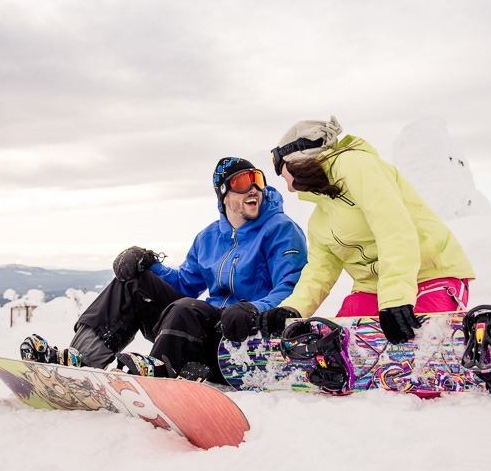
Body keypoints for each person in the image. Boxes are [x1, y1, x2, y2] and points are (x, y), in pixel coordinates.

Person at [20, 157, 308, 382]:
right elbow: (185, 284)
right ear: (223, 193)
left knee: (185, 309)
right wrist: (149, 264)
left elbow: (292, 286)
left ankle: (160, 371)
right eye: (243, 182)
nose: (254, 188)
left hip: (243, 335)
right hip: (200, 327)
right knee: (132, 282)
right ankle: (81, 361)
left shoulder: (281, 230)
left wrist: (253, 309)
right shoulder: (208, 237)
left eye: (258, 180)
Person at [260, 116, 476, 345]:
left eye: (279, 168)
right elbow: (319, 271)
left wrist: (395, 298)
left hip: (431, 273)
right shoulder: (320, 219)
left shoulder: (355, 165)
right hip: (374, 289)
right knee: (340, 345)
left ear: (296, 158)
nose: (282, 180)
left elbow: (393, 228)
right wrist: (293, 309)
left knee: (422, 341)